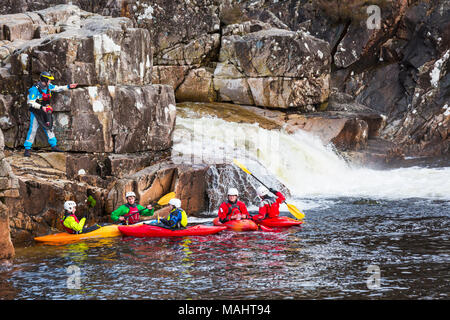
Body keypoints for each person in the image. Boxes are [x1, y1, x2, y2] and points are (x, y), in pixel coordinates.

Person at [24, 71, 78, 157]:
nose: (50, 81)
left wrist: (68, 86)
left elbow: (58, 88)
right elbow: (31, 102)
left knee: (49, 127)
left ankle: (54, 146)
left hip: (46, 111)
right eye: (49, 80)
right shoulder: (35, 89)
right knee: (33, 129)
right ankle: (27, 149)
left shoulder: (49, 86)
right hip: (36, 112)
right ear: (44, 80)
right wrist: (42, 108)